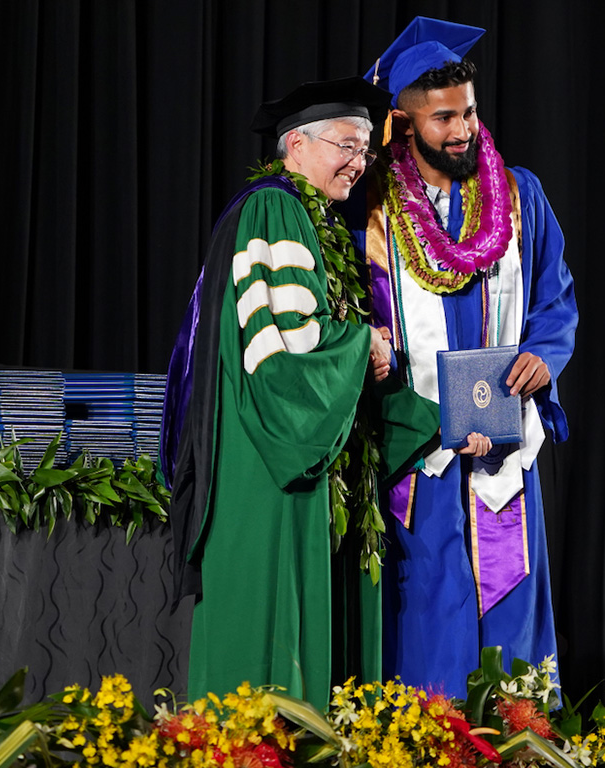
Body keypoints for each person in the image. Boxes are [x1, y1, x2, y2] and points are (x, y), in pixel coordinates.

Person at [159, 77, 440, 705]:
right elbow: (286, 349)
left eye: (365, 151)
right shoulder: (275, 207)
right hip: (271, 457)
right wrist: (363, 344)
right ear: (295, 146)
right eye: (345, 144)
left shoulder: (316, 221)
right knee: (267, 629)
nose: (358, 162)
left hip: (287, 452)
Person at [349, 17, 578, 698]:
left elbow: (555, 296)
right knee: (426, 612)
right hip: (417, 456)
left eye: (469, 112)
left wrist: (544, 353)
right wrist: (369, 346)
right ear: (404, 123)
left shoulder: (519, 196)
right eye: (444, 117)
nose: (462, 130)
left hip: (501, 452)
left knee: (507, 607)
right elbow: (349, 315)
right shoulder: (370, 211)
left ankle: (518, 737)